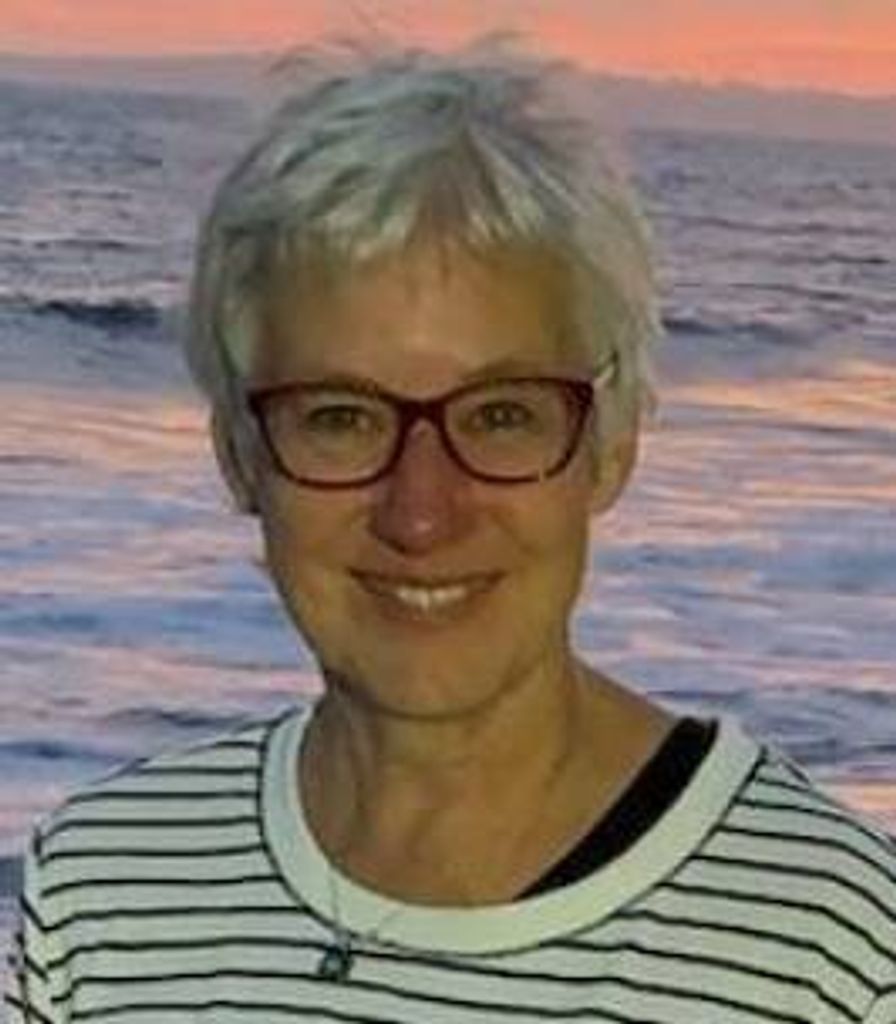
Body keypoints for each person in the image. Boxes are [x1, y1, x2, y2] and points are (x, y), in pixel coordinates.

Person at [6, 41, 896, 1024]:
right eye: (340, 417)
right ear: (238, 456)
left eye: (501, 415)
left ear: (609, 446)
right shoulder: (103, 898)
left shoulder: (825, 947)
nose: (421, 511)